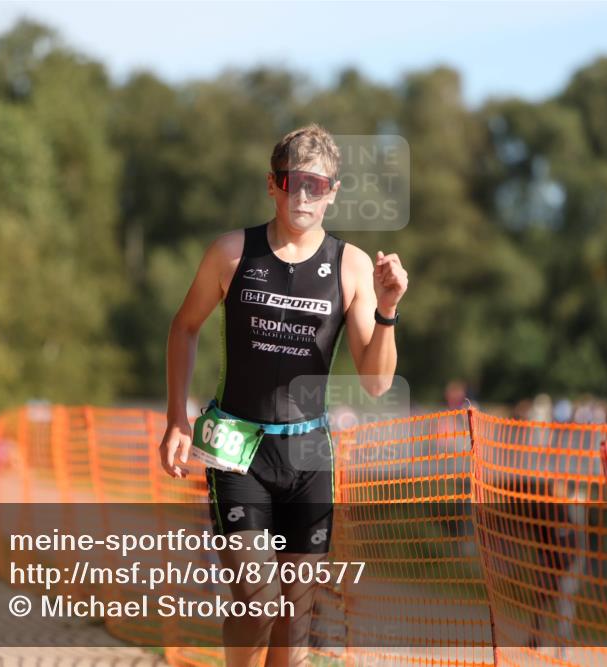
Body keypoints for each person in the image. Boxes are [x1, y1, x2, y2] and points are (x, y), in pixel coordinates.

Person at [158, 123, 407, 667]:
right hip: (237, 449)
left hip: (309, 455)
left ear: (333, 192)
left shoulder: (352, 266)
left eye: (317, 185)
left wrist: (387, 308)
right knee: (257, 599)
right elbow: (184, 327)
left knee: (295, 618)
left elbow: (377, 380)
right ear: (272, 184)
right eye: (293, 182)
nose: (304, 196)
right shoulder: (231, 253)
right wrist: (177, 420)